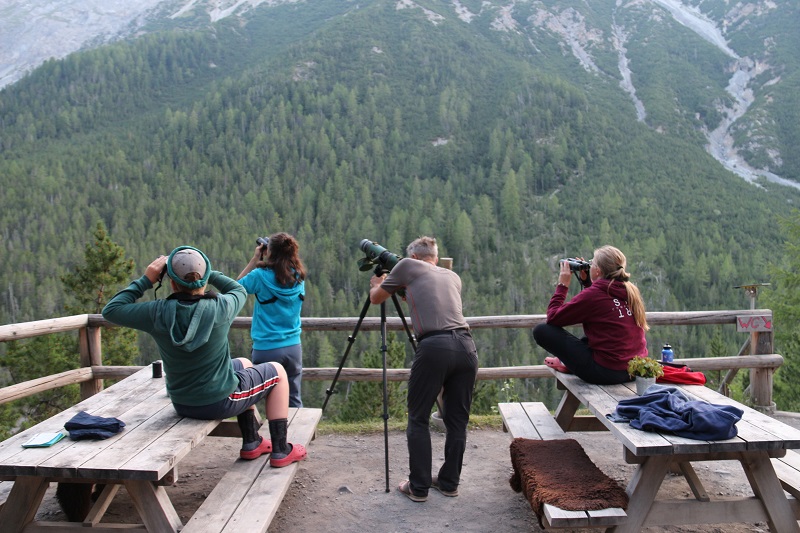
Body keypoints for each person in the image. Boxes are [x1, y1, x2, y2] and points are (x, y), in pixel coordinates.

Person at [102, 245, 306, 467]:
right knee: (278, 372)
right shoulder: (222, 307)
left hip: (183, 402)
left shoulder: (156, 313)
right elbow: (237, 288)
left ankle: (252, 442)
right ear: (205, 280)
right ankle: (281, 451)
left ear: (171, 283)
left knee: (244, 363)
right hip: (220, 400)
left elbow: (111, 310)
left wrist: (146, 280)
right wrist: (207, 272)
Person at [369, 236, 478, 503]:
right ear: (435, 259)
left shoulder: (407, 265)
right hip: (466, 346)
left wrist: (378, 284)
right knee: (457, 421)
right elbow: (428, 300)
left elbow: (377, 299)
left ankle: (418, 487)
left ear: (414, 257)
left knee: (418, 418)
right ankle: (449, 483)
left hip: (434, 346)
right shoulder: (452, 276)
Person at [533, 245, 648, 385]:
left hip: (606, 372)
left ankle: (566, 361)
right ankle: (566, 362)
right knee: (597, 330)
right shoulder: (630, 290)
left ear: (598, 271)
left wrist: (562, 285)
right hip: (634, 370)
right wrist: (587, 282)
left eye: (592, 263)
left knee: (542, 330)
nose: (589, 265)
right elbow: (601, 308)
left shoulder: (594, 294)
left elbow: (553, 317)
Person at [237, 233, 306, 407]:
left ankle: (264, 425)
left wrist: (255, 259)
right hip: (293, 347)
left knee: (263, 398)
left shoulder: (260, 276)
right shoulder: (298, 276)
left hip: (266, 347)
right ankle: (296, 425)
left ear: (270, 252)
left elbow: (236, 288)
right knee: (293, 397)